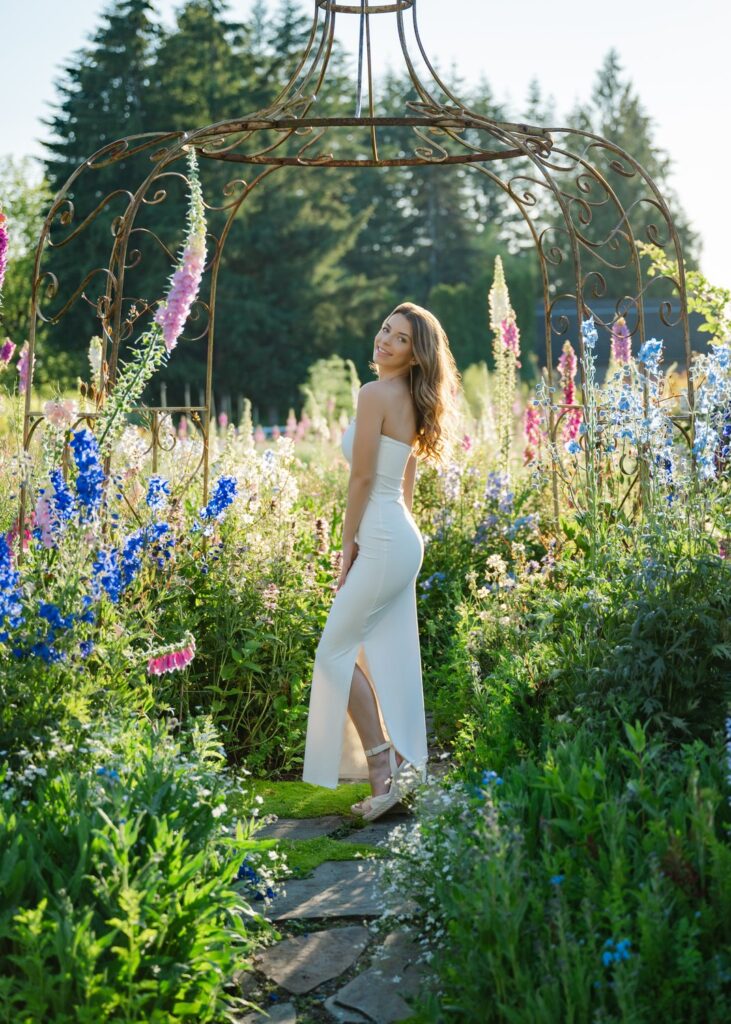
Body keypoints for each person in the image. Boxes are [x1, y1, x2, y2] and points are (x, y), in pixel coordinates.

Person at [301, 302, 463, 821]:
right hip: (398, 536)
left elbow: (363, 481)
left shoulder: (374, 395)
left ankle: (383, 767)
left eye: (398, 339)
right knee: (362, 650)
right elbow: (405, 473)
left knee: (333, 653)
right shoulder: (410, 399)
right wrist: (395, 538)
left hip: (384, 537)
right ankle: (391, 761)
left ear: (415, 355)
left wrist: (350, 547)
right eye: (384, 330)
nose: (384, 340)